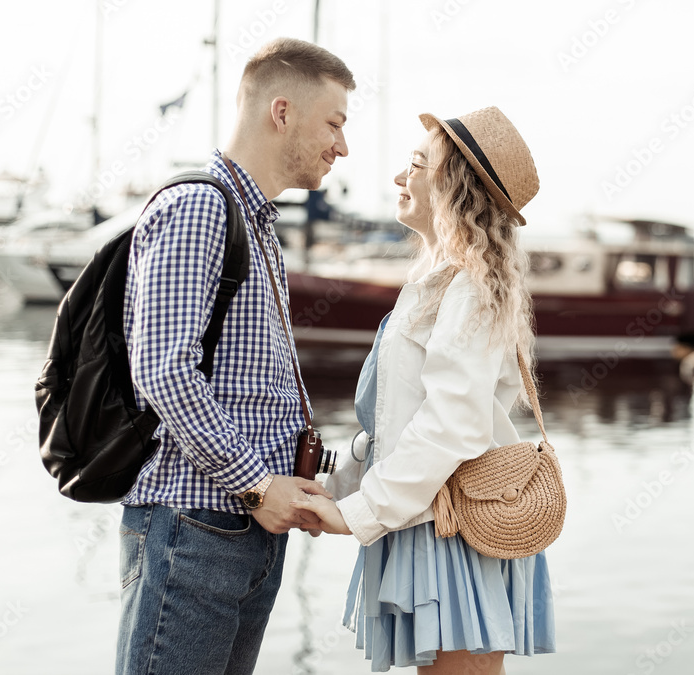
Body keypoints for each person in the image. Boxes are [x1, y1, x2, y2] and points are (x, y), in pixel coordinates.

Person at [115, 38, 355, 675]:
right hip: (195, 529)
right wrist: (255, 484)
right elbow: (164, 369)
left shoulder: (256, 223)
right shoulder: (200, 208)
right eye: (334, 122)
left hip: (241, 531)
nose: (342, 145)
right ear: (282, 112)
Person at [293, 107, 556, 674]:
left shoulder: (466, 290)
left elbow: (452, 425)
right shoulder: (436, 283)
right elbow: (396, 423)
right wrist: (336, 490)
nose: (398, 177)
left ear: (452, 187)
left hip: (451, 527)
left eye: (416, 164)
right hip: (428, 517)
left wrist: (361, 510)